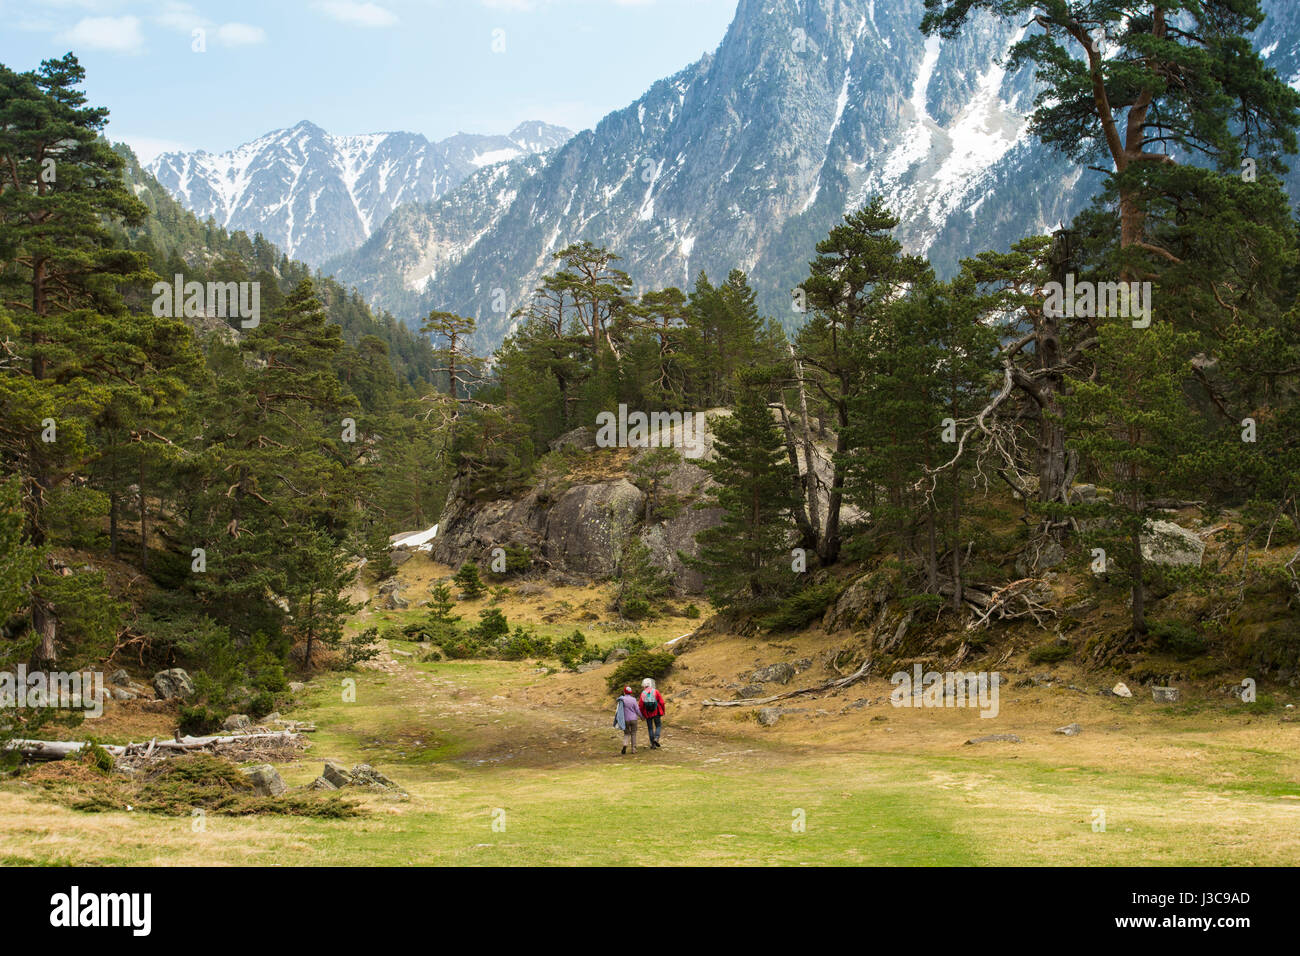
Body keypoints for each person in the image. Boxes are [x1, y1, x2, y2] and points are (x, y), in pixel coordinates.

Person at [639, 677, 666, 748]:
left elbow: (641, 706)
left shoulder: (643, 693)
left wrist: (642, 715)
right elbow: (662, 702)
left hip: (647, 714)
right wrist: (663, 710)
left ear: (644, 685)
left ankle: (652, 744)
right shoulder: (655, 691)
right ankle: (656, 738)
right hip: (656, 712)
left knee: (650, 728)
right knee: (658, 725)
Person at [614, 685, 641, 754]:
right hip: (633, 719)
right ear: (630, 692)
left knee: (626, 733)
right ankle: (633, 749)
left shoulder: (621, 700)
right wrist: (641, 716)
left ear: (624, 692)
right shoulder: (634, 699)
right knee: (633, 733)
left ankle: (625, 744)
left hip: (625, 720)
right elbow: (637, 709)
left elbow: (618, 709)